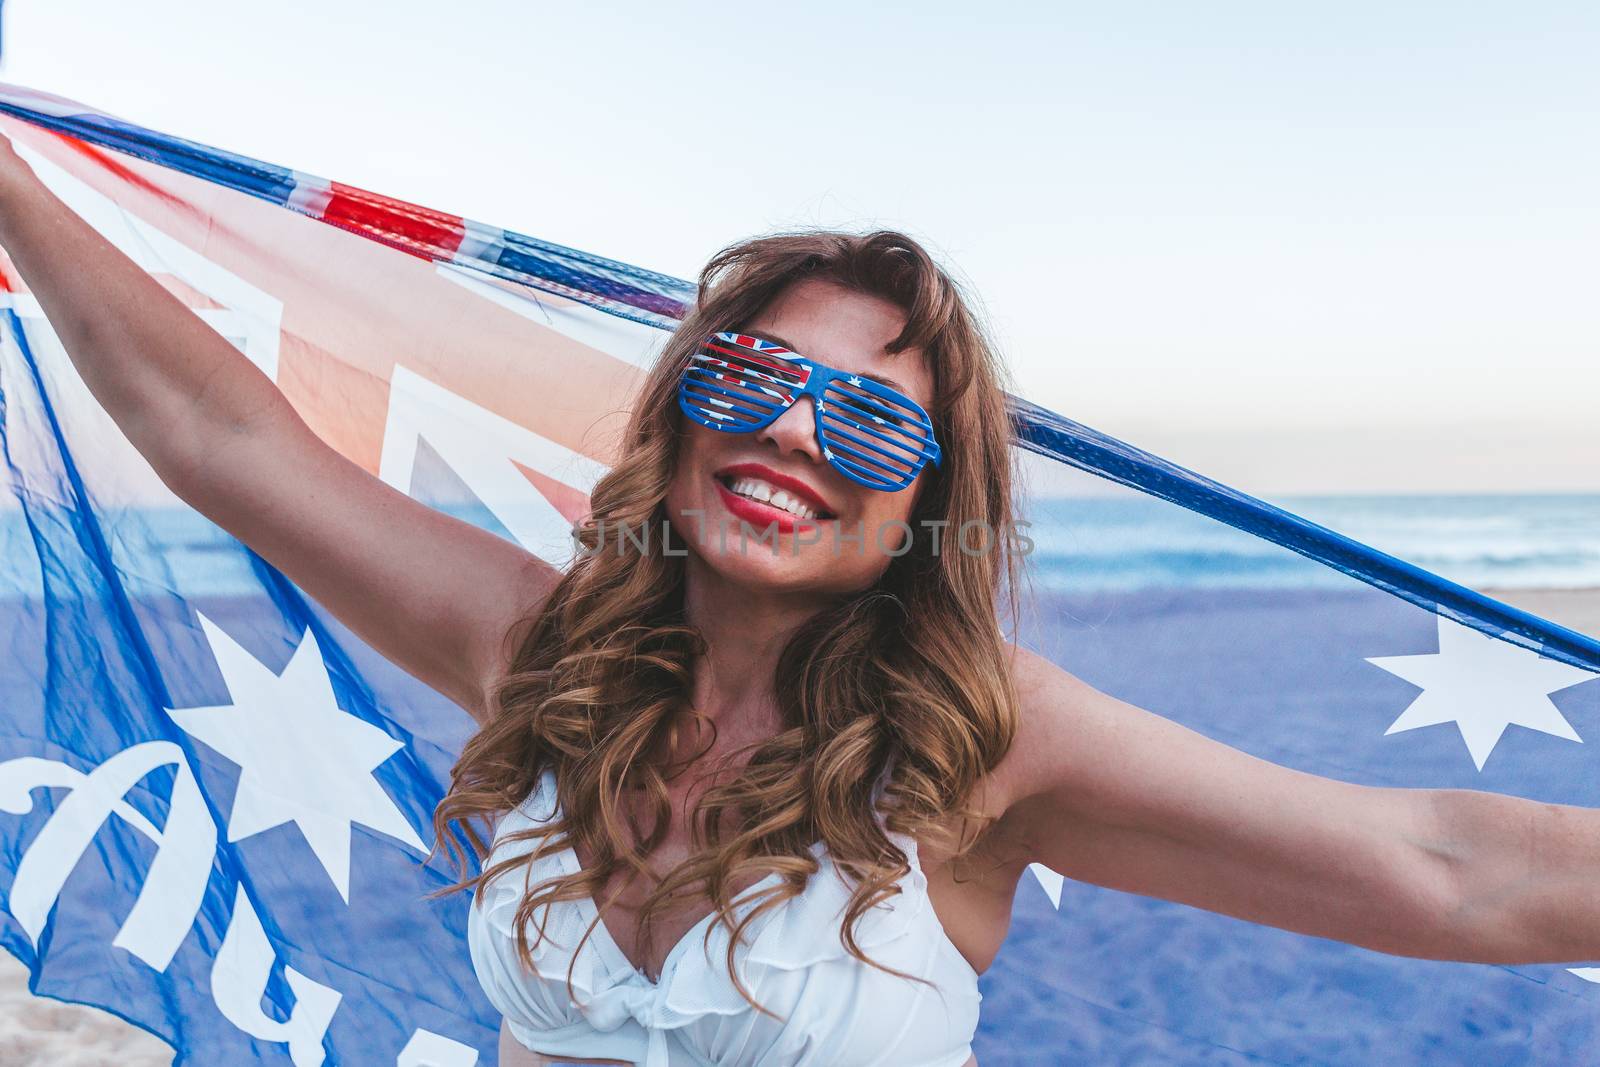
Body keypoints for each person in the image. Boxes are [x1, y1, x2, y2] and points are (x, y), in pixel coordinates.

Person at [3, 131, 1598, 1067]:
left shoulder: (980, 744)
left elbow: (1443, 867)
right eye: (757, 374)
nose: (789, 429)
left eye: (868, 418)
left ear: (921, 504)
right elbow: (224, 441)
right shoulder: (538, 656)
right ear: (688, 403)